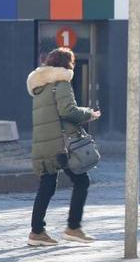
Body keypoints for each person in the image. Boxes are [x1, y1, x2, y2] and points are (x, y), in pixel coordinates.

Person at [26, 47, 101, 246]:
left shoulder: (40, 88)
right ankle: (73, 228)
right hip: (62, 145)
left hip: (44, 144)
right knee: (82, 181)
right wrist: (88, 114)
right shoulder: (61, 83)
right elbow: (67, 111)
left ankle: (36, 232)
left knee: (47, 186)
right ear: (67, 64)